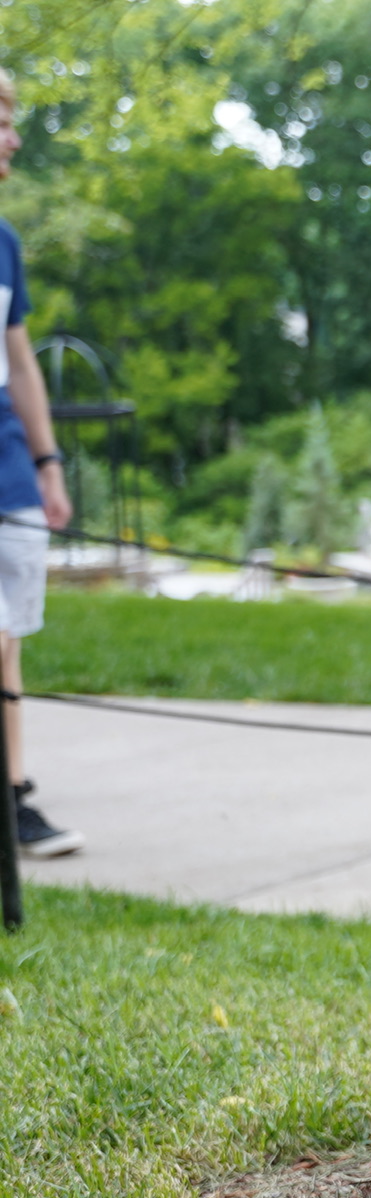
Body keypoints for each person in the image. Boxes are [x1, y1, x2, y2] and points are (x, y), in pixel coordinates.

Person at [0, 69, 81, 857]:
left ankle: (14, 796)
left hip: (10, 466)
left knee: (9, 628)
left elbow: (19, 362)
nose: (13, 137)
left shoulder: (5, 244)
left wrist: (48, 463)